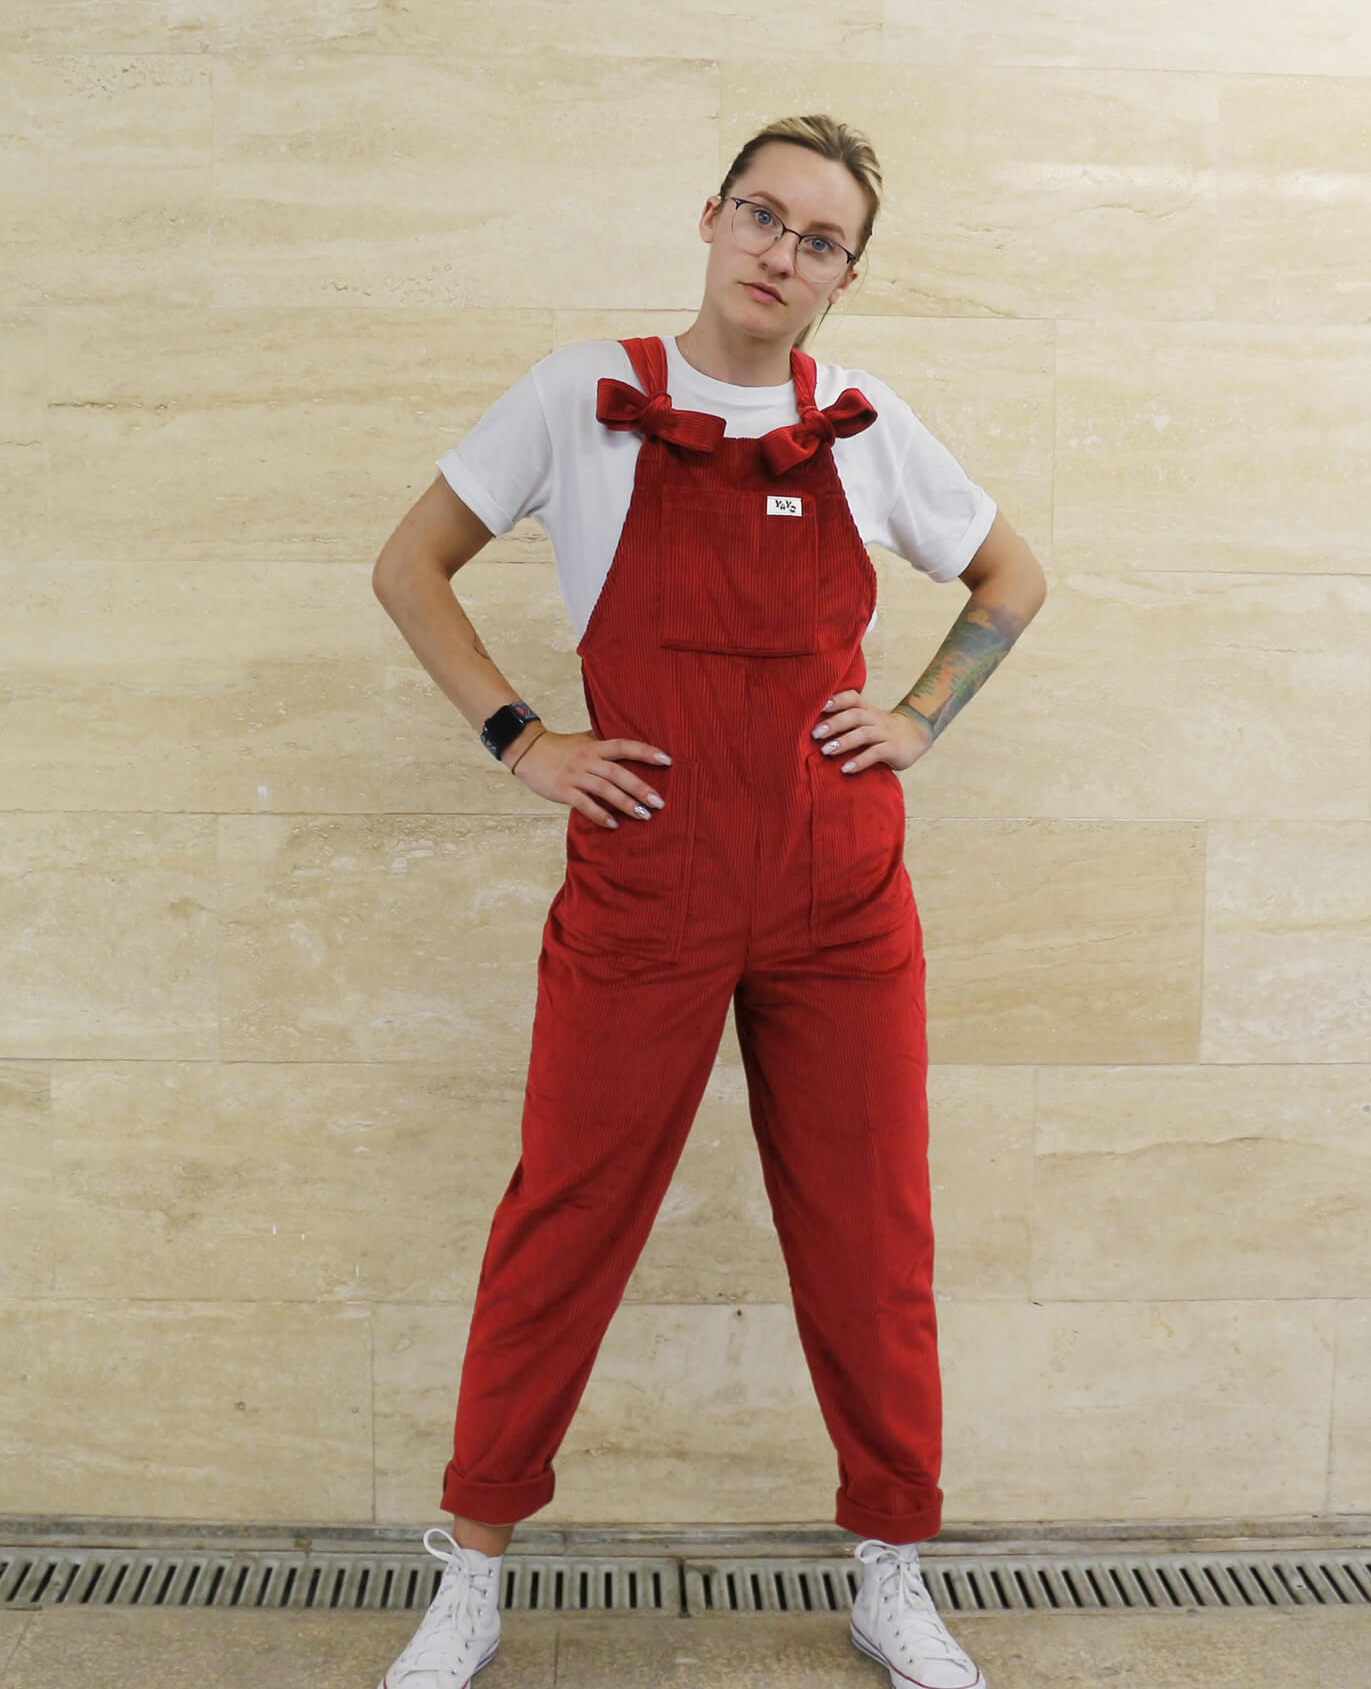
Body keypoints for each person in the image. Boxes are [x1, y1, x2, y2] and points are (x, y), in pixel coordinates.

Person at [370, 112, 1046, 1689]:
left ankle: (891, 1568)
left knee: (868, 1236)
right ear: (709, 217)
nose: (780, 254)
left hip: (839, 895)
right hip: (646, 885)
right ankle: (471, 1566)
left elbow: (1010, 580)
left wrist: (921, 718)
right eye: (762, 215)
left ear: (845, 278)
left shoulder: (868, 422)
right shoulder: (575, 397)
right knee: (563, 1218)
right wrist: (519, 738)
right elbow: (411, 567)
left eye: (819, 240)